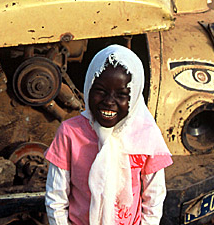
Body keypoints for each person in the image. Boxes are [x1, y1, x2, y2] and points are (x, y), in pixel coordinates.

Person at [45, 45, 172, 225]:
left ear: (134, 97)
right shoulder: (70, 133)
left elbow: (154, 197)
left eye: (121, 94)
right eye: (100, 91)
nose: (109, 102)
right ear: (88, 87)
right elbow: (56, 197)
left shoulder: (146, 135)